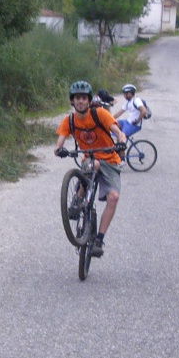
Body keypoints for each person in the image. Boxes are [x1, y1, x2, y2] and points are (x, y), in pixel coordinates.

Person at [54, 81, 127, 258]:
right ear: (72, 101)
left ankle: (98, 239)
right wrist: (59, 149)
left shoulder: (99, 114)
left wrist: (121, 141)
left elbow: (118, 132)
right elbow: (60, 142)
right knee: (92, 164)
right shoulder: (69, 120)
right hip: (91, 158)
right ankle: (78, 201)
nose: (80, 101)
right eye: (77, 98)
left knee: (114, 197)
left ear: (88, 100)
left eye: (84, 98)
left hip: (110, 159)